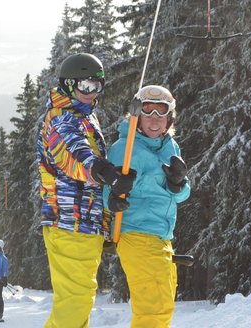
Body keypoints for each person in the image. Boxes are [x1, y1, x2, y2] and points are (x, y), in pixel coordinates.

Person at [36, 52, 136, 328]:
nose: (92, 93)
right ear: (68, 84)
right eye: (86, 86)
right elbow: (74, 154)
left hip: (85, 223)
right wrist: (103, 171)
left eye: (97, 86)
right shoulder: (61, 118)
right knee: (75, 301)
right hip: (69, 220)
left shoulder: (86, 118)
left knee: (78, 300)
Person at [103, 85, 191, 328]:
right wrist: (114, 199)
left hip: (162, 236)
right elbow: (106, 191)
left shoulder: (171, 147)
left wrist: (177, 184)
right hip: (136, 232)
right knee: (154, 309)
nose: (154, 119)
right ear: (136, 115)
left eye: (160, 112)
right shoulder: (126, 148)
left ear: (170, 117)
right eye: (147, 111)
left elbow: (183, 195)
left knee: (161, 307)